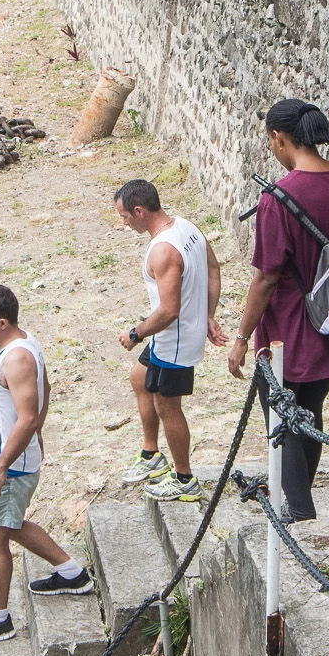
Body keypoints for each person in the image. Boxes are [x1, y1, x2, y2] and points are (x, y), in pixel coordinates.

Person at [225, 97, 329, 522]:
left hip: (288, 329)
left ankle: (297, 511)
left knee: (283, 417)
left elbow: (266, 277)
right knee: (311, 411)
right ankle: (298, 497)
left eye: (270, 141)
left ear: (280, 138)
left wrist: (240, 338)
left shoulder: (278, 198)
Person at [0, 283, 95, 648]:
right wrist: (35, 434)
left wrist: (2, 465)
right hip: (7, 458)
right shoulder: (20, 344)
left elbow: (28, 414)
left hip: (9, 466)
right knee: (10, 523)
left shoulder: (17, 358)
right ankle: (72, 573)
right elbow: (44, 390)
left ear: (2, 322)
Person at [113, 179, 225, 501]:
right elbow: (214, 268)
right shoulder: (187, 227)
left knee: (168, 406)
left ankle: (184, 478)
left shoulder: (163, 251)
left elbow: (169, 311)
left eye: (124, 217)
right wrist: (207, 315)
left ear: (139, 210)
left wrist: (135, 334)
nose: (124, 223)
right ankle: (152, 454)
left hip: (173, 341)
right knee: (139, 377)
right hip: (173, 335)